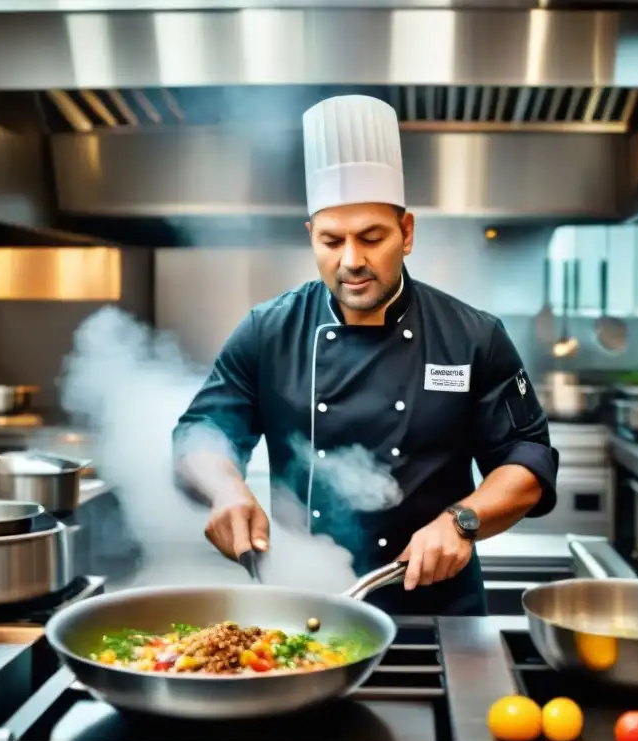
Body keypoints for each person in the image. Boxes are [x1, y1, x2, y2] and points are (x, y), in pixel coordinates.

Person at [174, 94, 559, 616]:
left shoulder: (473, 336)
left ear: (406, 233)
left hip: (440, 610)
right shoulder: (269, 332)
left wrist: (462, 522)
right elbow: (201, 432)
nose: (351, 261)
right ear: (312, 237)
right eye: (332, 241)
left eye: (371, 238)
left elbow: (527, 459)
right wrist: (224, 490)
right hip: (302, 606)